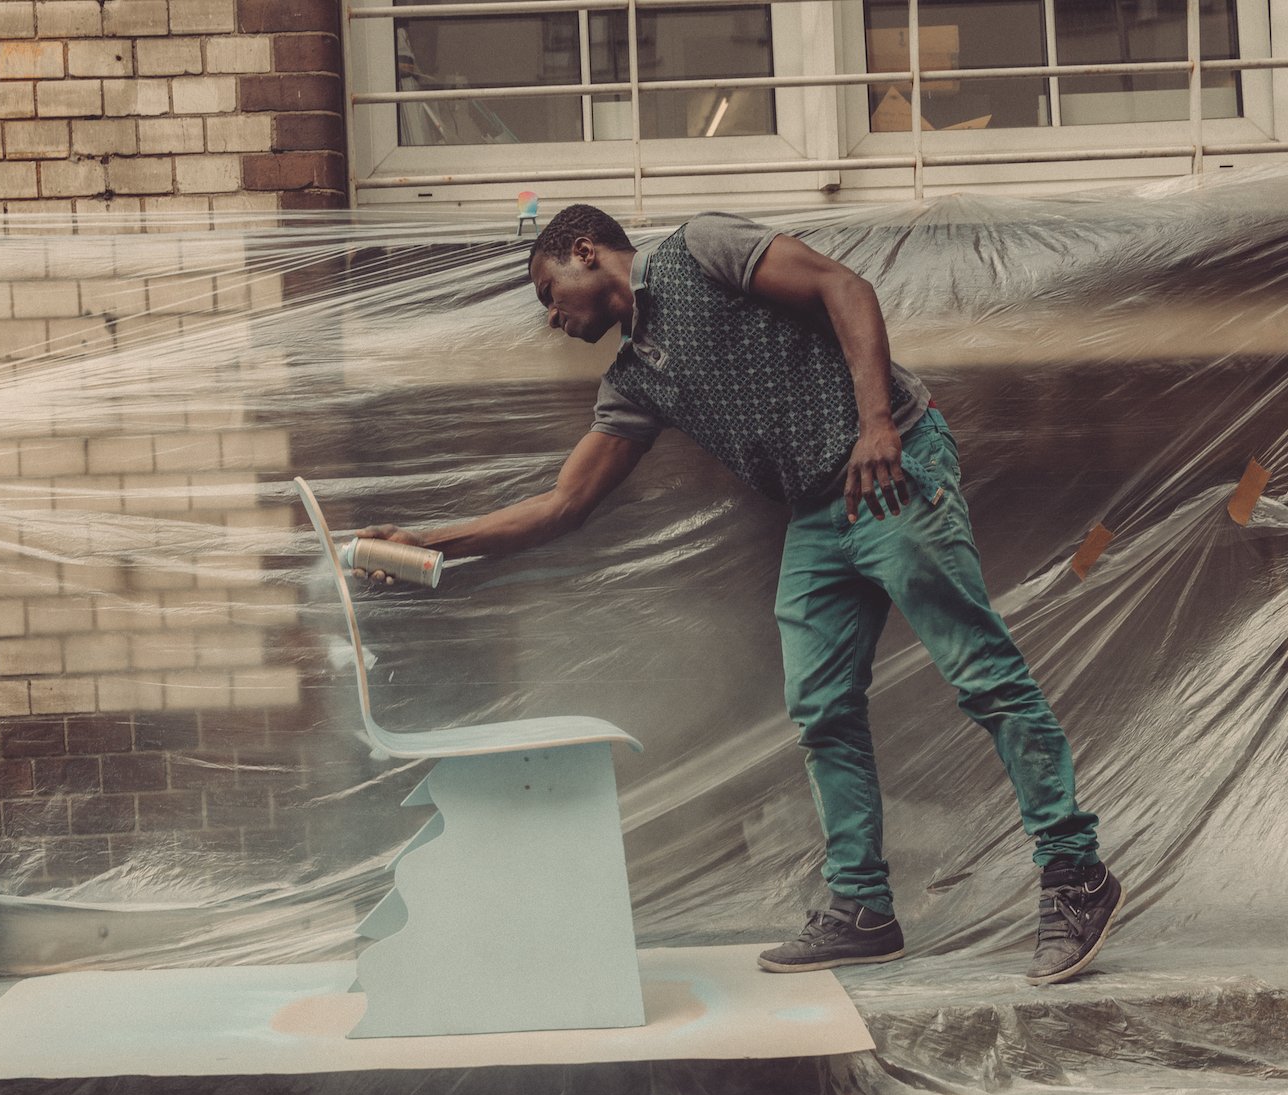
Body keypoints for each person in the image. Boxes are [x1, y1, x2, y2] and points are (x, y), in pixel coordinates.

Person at [353, 204, 1123, 985]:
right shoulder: (633, 384)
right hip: (818, 516)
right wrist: (432, 540)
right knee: (821, 707)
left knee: (981, 673)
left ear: (584, 251)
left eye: (548, 293)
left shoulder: (699, 250)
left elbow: (845, 287)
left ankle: (1075, 874)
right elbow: (565, 503)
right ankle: (862, 908)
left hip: (890, 471)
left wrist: (877, 424)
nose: (550, 318)